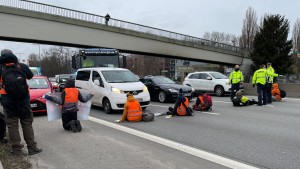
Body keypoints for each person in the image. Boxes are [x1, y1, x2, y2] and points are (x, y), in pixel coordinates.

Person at [0, 49, 42, 155]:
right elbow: (31, 76)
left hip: (8, 102)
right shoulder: (22, 66)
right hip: (23, 100)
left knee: (12, 125)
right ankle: (32, 148)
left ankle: (16, 150)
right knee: (27, 123)